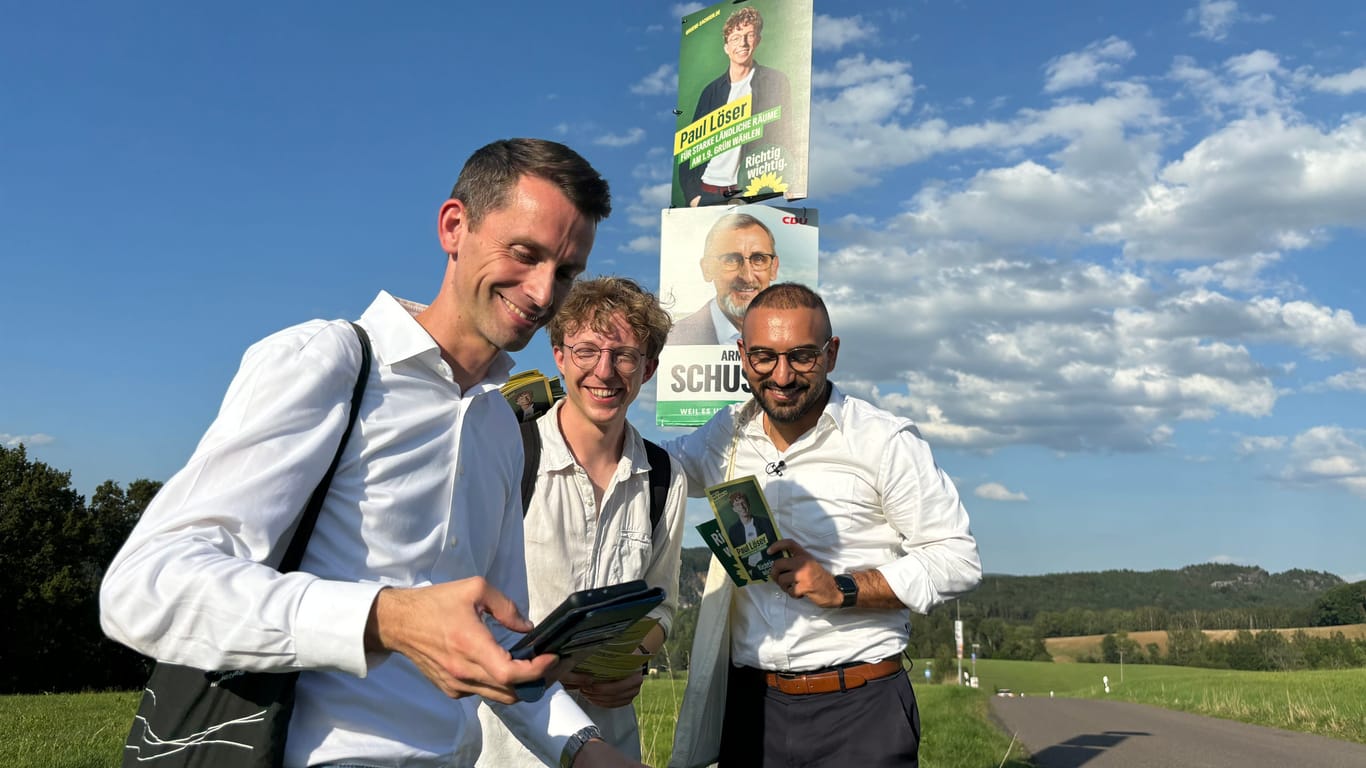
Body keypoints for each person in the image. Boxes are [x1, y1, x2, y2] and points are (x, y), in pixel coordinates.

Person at [100, 138, 646, 768]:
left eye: (567, 270)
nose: (544, 291)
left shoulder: (501, 423)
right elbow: (142, 586)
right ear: (454, 226)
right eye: (524, 253)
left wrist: (586, 750)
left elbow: (498, 641)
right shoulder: (331, 360)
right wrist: (385, 617)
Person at [665, 283, 982, 768]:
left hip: (859, 710)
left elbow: (957, 560)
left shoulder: (882, 440)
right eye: (764, 357)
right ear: (742, 355)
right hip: (752, 708)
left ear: (831, 354)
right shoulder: (727, 434)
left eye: (803, 356)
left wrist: (842, 587)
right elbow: (656, 470)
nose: (782, 375)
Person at [477, 276, 686, 765]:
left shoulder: (661, 475)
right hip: (503, 744)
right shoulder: (511, 450)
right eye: (587, 351)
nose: (605, 372)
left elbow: (663, 606)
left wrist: (635, 661)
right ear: (559, 356)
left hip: (610, 740)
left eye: (625, 355)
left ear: (649, 368)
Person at [681, 6, 791, 207]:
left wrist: (793, 178)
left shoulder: (774, 81)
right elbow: (689, 148)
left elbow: (788, 135)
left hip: (745, 192)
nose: (743, 43)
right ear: (726, 47)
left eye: (749, 35)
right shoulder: (711, 91)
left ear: (758, 40)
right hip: (707, 191)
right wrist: (692, 197)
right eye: (736, 37)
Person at [667, 213, 779, 346]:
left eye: (759, 259)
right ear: (707, 269)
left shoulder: (800, 335)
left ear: (773, 268)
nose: (747, 277)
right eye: (731, 260)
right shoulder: (672, 341)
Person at [725, 491, 776, 568]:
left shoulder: (765, 522)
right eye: (737, 505)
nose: (742, 507)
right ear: (734, 509)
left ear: (748, 503)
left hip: (771, 565)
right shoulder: (733, 531)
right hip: (750, 570)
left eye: (743, 502)